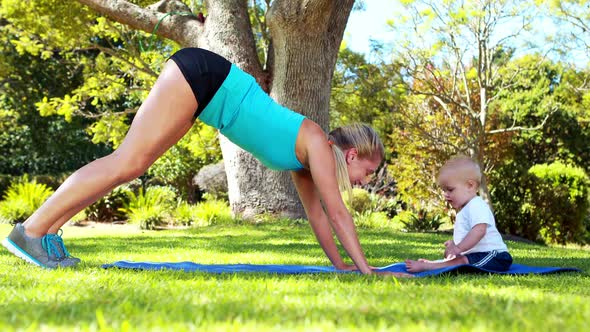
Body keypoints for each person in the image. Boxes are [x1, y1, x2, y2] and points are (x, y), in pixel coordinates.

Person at [2, 48, 409, 276]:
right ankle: (33, 229)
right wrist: (368, 271)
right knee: (127, 161)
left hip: (208, 96)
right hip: (206, 79)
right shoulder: (318, 142)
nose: (363, 182)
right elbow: (338, 213)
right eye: (367, 173)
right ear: (352, 154)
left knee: (131, 165)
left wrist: (342, 268)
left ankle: (47, 236)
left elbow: (320, 218)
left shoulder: (307, 160)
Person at [405, 155, 512, 273]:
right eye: (444, 190)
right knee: (462, 260)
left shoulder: (477, 205)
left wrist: (458, 248)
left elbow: (479, 231)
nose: (445, 194)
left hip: (495, 256)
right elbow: (466, 239)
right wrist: (453, 246)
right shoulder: (465, 209)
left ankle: (430, 266)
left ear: (470, 186)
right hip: (477, 255)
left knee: (463, 261)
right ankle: (437, 264)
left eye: (450, 190)